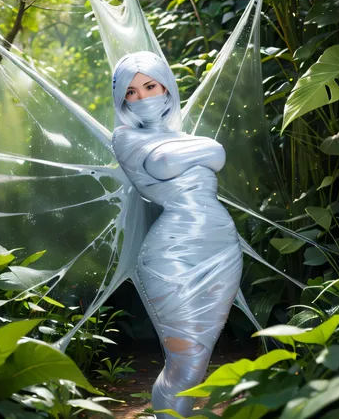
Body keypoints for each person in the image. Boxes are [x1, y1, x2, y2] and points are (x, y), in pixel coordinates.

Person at [111, 51, 243, 418]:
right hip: (171, 256)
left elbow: (215, 153)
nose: (142, 97)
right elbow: (165, 162)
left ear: (167, 87)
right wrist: (201, 149)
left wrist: (195, 148)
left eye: (150, 86)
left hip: (223, 252)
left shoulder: (181, 138)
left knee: (198, 362)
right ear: (122, 100)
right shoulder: (123, 137)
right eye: (132, 92)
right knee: (182, 363)